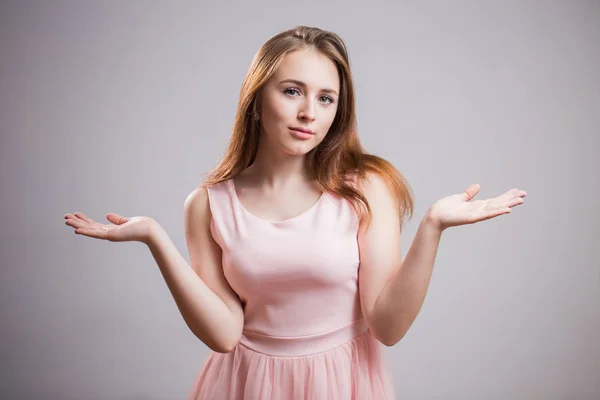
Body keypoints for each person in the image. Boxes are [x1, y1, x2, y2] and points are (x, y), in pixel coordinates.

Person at [64, 26, 527, 399]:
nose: (309, 112)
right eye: (292, 91)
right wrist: (154, 239)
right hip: (243, 383)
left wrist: (433, 227)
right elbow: (225, 335)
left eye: (326, 98)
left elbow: (387, 326)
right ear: (257, 100)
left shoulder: (366, 188)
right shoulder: (208, 205)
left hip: (344, 381)